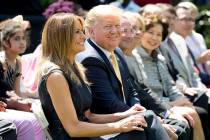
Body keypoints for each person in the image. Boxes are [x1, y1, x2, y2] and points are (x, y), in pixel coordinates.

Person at [38, 12, 153, 140]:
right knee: (141, 131)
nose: (84, 37)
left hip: (90, 136)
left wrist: (125, 115)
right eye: (77, 32)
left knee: (144, 119)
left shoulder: (75, 69)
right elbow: (73, 129)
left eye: (82, 31)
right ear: (60, 36)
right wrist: (119, 126)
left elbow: (89, 116)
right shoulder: (55, 76)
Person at [77, 5, 171, 140]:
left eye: (117, 25)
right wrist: (141, 116)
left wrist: (138, 109)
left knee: (180, 125)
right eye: (108, 26)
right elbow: (108, 104)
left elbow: (131, 89)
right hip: (106, 127)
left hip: (128, 118)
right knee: (163, 125)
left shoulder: (117, 51)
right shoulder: (90, 59)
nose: (115, 31)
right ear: (91, 32)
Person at [160, 5, 210, 139]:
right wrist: (182, 90)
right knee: (202, 109)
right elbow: (169, 77)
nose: (170, 22)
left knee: (205, 99)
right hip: (175, 94)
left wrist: (203, 89)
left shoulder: (180, 40)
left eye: (191, 19)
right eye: (184, 19)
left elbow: (192, 72)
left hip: (189, 89)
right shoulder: (158, 43)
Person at [0, 19, 46, 140]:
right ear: (5, 42)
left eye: (23, 38)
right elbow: (4, 92)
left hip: (10, 100)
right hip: (4, 102)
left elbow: (17, 92)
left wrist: (22, 101)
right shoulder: (2, 61)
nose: (22, 42)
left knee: (39, 113)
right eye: (16, 39)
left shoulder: (18, 61)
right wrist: (18, 103)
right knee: (32, 116)